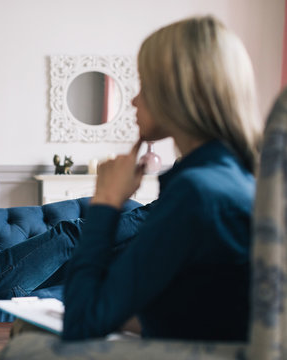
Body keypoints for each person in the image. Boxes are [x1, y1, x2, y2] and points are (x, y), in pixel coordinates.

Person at [62, 15, 262, 342]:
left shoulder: (196, 193)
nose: (133, 100)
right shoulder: (238, 179)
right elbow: (205, 313)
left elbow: (81, 322)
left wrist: (106, 202)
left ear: (174, 90)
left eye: (143, 84)